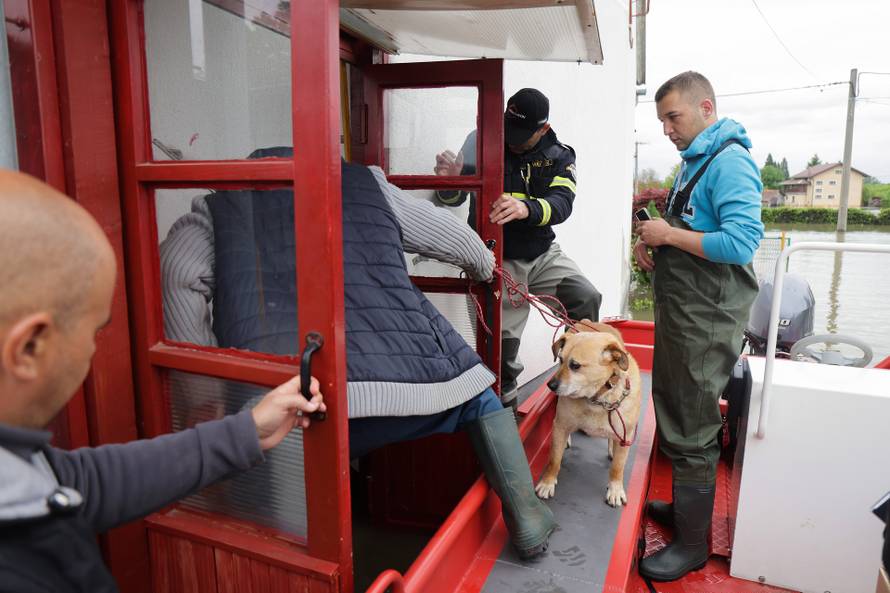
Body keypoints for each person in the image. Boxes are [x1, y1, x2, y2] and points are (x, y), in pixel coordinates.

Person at [160, 149, 556, 559]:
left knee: (286, 510)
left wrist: (207, 388)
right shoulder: (364, 182)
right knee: (480, 399)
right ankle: (526, 520)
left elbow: (177, 273)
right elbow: (454, 239)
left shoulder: (218, 207)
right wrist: (484, 266)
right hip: (403, 387)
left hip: (287, 401)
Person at [0, 169, 325, 593]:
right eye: (93, 330)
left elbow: (82, 482)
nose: (94, 350)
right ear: (29, 348)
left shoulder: (21, 466)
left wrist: (245, 431)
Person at [633, 71, 763, 582]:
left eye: (674, 116)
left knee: (693, 418)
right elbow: (697, 226)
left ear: (705, 108)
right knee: (673, 399)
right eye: (662, 119)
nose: (667, 128)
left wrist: (669, 234)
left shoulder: (730, 163)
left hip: (707, 316)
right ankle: (688, 510)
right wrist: (658, 243)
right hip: (684, 310)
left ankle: (691, 544)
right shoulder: (696, 162)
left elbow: (741, 243)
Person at [433, 88, 601, 410]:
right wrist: (449, 182)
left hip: (541, 254)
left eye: (521, 134)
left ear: (543, 128)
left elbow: (563, 205)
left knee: (586, 298)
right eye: (508, 128)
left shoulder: (559, 155)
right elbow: (450, 199)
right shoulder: (479, 139)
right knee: (502, 354)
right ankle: (505, 421)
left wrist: (527, 208)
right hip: (497, 259)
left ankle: (579, 389)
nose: (510, 140)